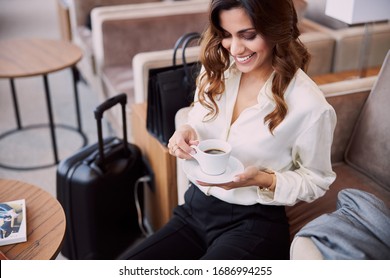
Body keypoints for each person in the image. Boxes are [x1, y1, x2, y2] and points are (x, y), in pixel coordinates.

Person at [124, 0, 336, 260]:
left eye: (248, 36)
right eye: (226, 35)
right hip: (194, 209)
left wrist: (265, 180)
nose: (234, 48)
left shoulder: (309, 106)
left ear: (276, 30)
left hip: (253, 223)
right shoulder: (217, 70)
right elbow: (197, 114)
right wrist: (186, 129)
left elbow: (317, 179)